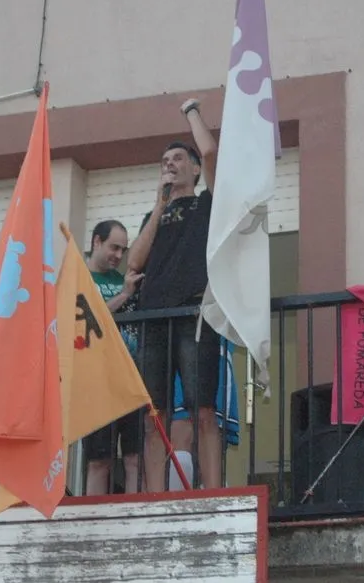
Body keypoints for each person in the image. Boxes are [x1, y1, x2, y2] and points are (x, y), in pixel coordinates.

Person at [126, 97, 221, 492]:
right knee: (154, 416)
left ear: (195, 169)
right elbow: (134, 261)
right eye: (166, 160)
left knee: (202, 410)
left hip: (193, 315)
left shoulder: (206, 204)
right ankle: (154, 496)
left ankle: (216, 492)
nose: (170, 164)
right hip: (153, 319)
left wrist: (192, 111)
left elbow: (213, 152)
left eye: (179, 158)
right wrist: (158, 204)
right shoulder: (156, 213)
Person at [81, 219, 145, 494]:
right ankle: (92, 520)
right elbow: (85, 323)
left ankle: (134, 517)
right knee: (99, 459)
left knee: (134, 457)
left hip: (129, 377)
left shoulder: (123, 280)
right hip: (95, 380)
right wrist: (124, 295)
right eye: (114, 247)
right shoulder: (79, 278)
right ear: (96, 241)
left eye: (123, 250)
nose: (119, 256)